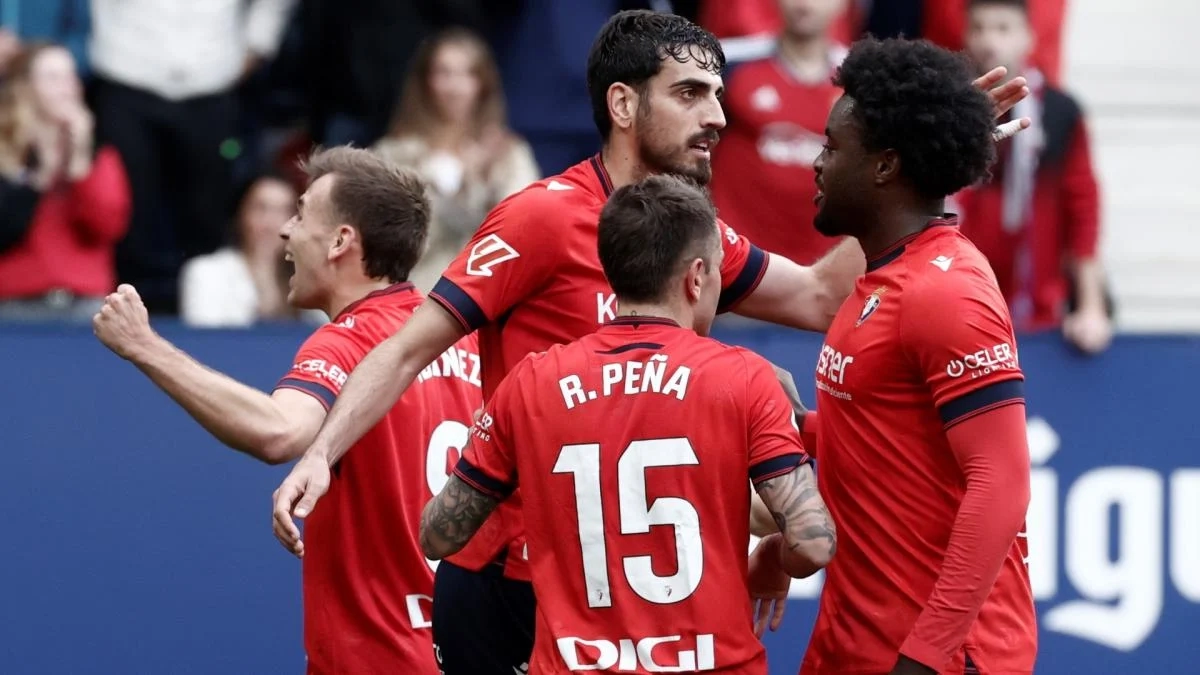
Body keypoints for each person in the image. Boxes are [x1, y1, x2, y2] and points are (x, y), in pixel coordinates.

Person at [271, 11, 1028, 675]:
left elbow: (818, 295)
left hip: (635, 591)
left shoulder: (693, 235)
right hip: (519, 579)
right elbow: (410, 346)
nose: (718, 117)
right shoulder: (541, 217)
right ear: (624, 104)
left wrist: (924, 163)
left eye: (719, 95)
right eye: (690, 94)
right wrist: (322, 451)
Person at [419, 174, 836, 674]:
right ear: (696, 277)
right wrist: (772, 556)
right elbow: (813, 543)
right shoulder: (746, 378)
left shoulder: (529, 383)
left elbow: (438, 537)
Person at [94, 146, 481, 674]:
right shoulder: (463, 343)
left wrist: (144, 346)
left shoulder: (351, 338)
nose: (285, 231)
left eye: (300, 215)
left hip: (378, 658)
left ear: (341, 241)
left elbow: (278, 432)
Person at [802, 37, 1036, 674]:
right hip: (854, 640)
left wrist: (928, 656)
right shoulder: (881, 277)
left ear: (884, 167)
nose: (817, 164)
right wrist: (786, 427)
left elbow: (1002, 482)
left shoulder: (947, 291)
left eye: (832, 147)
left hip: (940, 657)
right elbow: (887, 438)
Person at [959, 0, 1111, 354]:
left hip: (1037, 310)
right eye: (978, 28)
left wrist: (1091, 305)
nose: (989, 41)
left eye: (1003, 28)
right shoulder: (945, 111)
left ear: (1028, 36)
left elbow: (1083, 208)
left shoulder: (1060, 112)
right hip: (960, 304)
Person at [374, 27, 540, 293]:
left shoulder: (509, 153)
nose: (455, 87)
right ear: (426, 80)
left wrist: (482, 183)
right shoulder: (393, 155)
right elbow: (391, 242)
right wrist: (456, 192)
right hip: (414, 295)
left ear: (483, 83)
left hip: (488, 297)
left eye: (467, 74)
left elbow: (523, 234)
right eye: (444, 73)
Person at [708, 0, 848, 265]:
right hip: (734, 259)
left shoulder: (860, 79)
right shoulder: (725, 62)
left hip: (823, 266)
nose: (805, 3)